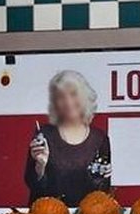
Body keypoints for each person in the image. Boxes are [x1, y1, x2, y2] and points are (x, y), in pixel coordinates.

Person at [23, 69, 113, 206]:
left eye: (73, 94)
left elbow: (102, 193)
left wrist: (102, 178)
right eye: (61, 96)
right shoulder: (44, 136)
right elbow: (33, 186)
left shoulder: (99, 139)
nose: (68, 101)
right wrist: (40, 166)